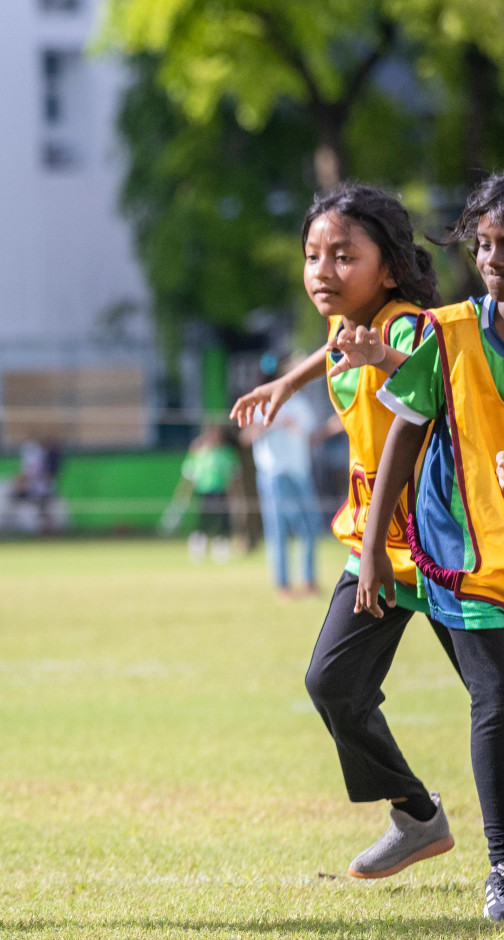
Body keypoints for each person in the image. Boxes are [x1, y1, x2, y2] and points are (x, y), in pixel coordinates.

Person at [233, 183, 460, 880]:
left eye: (343, 256)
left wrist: (381, 360)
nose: (322, 272)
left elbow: (439, 376)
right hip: (376, 546)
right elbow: (333, 349)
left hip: (446, 546)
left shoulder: (406, 327)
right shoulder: (347, 330)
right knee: (333, 683)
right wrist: (286, 385)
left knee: (494, 700)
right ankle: (415, 815)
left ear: (388, 267)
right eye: (312, 256)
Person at [359, 172, 504, 919]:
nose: (493, 259)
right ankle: (502, 866)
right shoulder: (449, 337)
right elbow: (403, 442)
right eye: (484, 244)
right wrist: (381, 545)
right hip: (473, 559)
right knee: (494, 703)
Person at [239, 371, 323, 597]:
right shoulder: (261, 403)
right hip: (273, 474)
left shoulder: (300, 403)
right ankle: (283, 586)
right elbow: (247, 437)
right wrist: (275, 423)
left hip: (300, 473)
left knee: (310, 527)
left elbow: (310, 435)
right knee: (278, 531)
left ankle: (309, 581)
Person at [172, 425, 239, 562]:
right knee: (203, 521)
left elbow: (233, 475)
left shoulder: (227, 453)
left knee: (222, 521)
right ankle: (198, 548)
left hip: (221, 491)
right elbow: (189, 475)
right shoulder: (199, 453)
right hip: (204, 491)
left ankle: (220, 549)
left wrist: (234, 494)